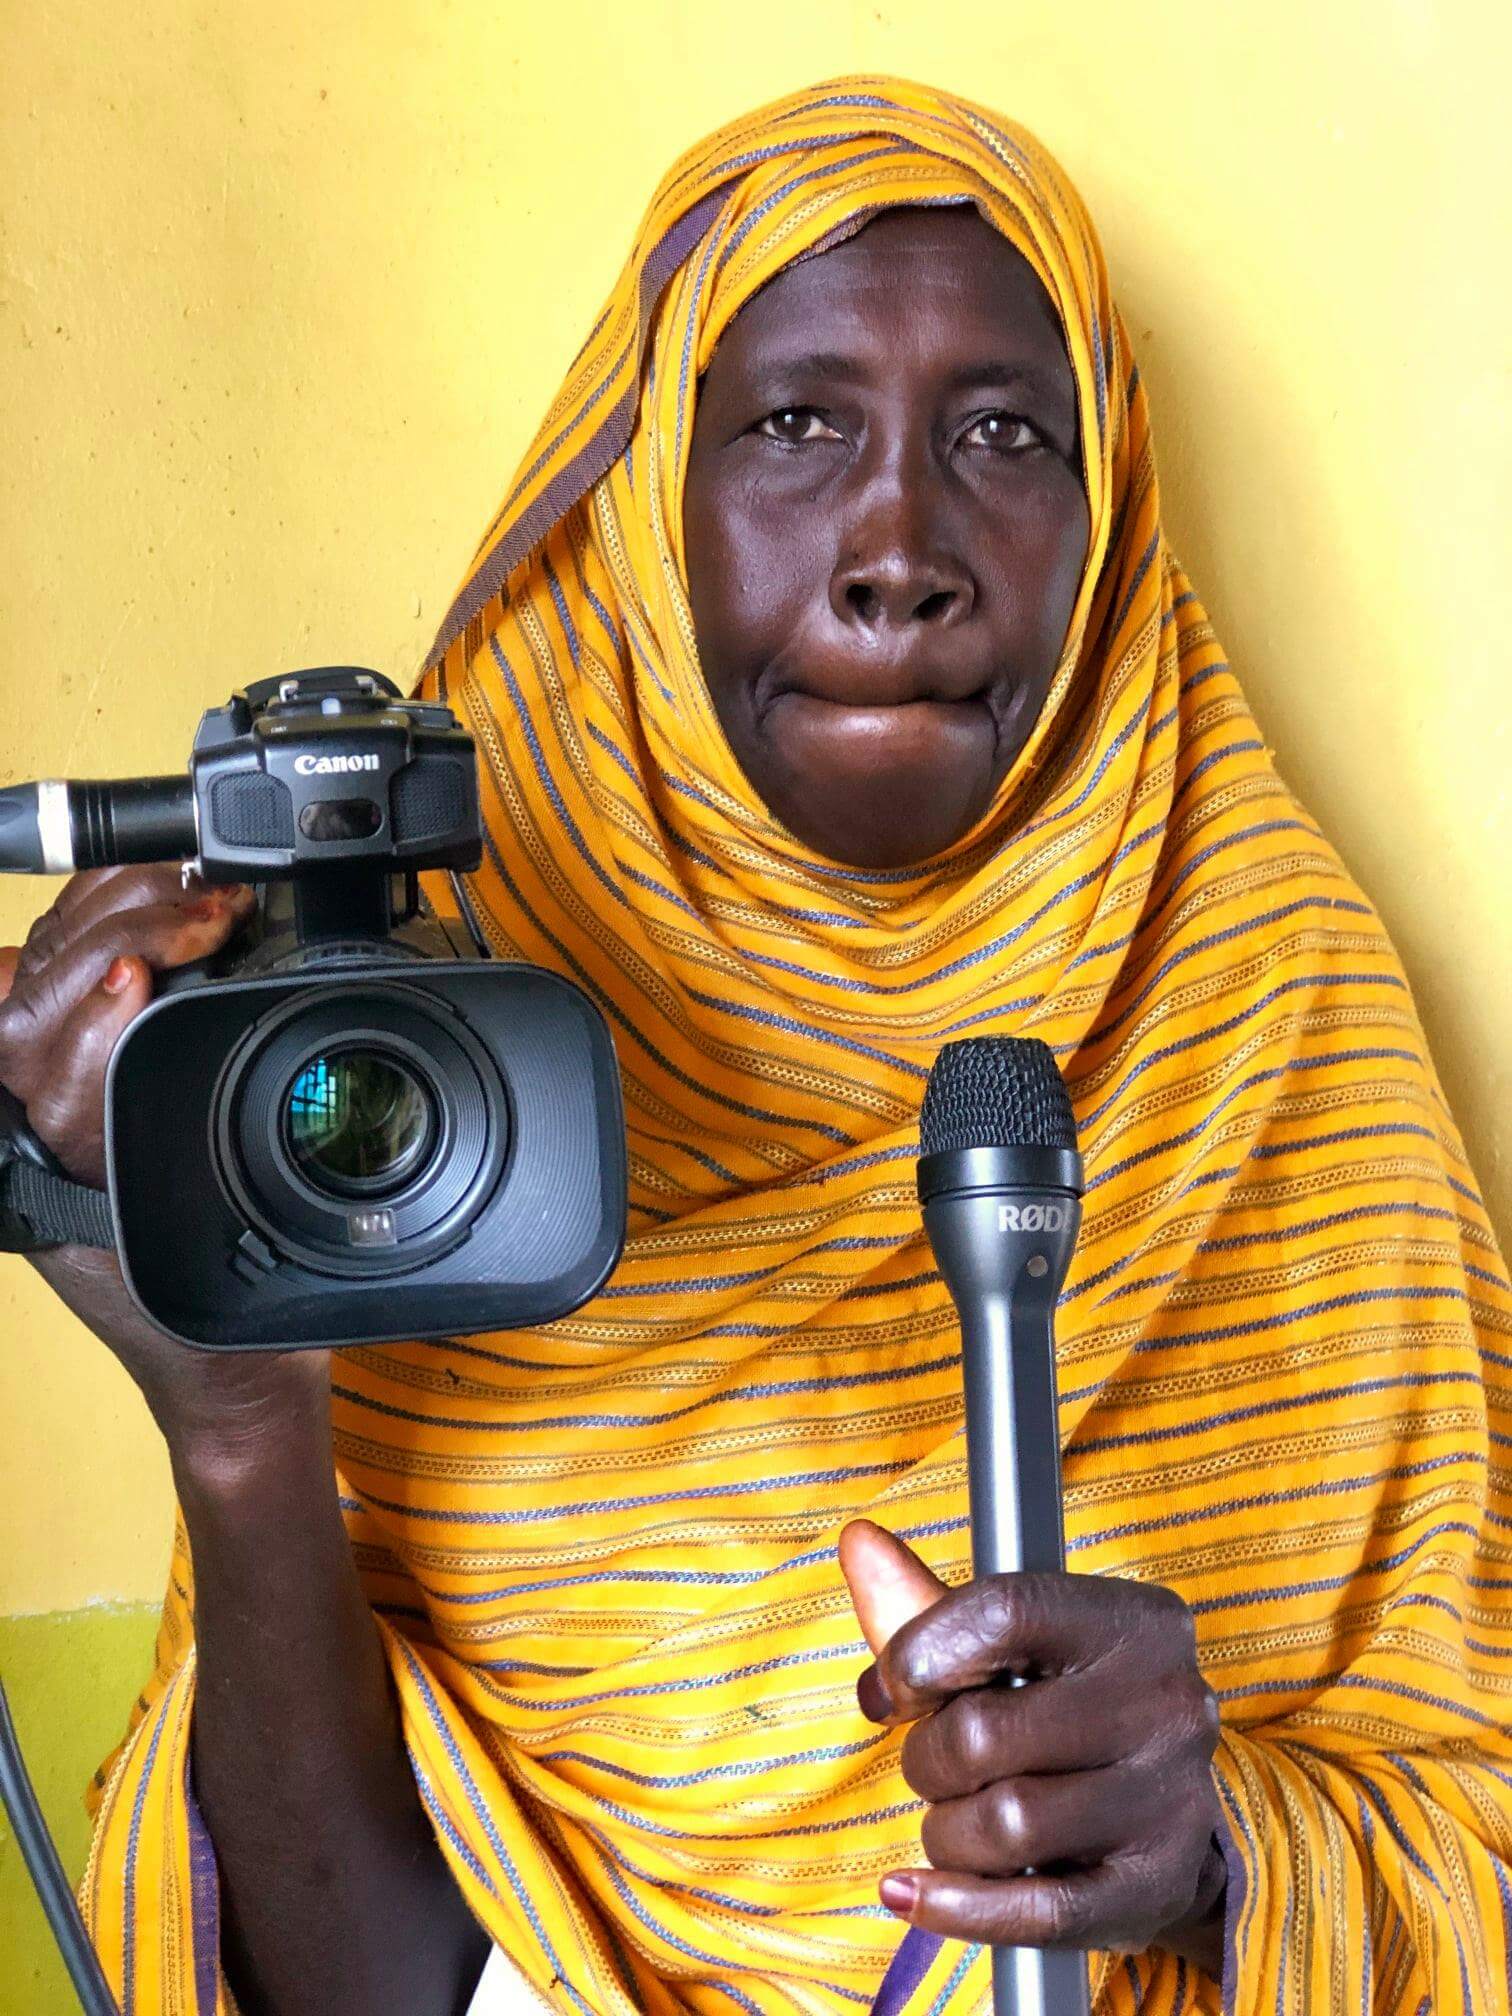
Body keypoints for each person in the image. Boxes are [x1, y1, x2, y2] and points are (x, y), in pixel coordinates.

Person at [1, 73, 1507, 2016]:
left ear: (1110, 510)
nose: (901, 547)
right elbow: (373, 1991)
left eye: (1004, 432)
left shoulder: (1272, 1011)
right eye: (796, 423)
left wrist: (1223, 1853)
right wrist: (235, 1427)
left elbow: (1468, 1840)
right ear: (644, 504)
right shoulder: (401, 1043)